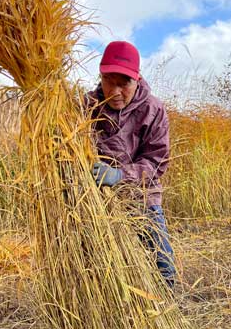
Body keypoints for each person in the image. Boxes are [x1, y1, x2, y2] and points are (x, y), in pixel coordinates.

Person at [87, 41, 175, 287]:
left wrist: (119, 175)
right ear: (100, 76)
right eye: (108, 81)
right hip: (94, 201)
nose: (115, 92)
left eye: (123, 83)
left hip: (141, 196)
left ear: (137, 79)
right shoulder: (86, 107)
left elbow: (157, 162)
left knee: (162, 267)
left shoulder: (153, 109)